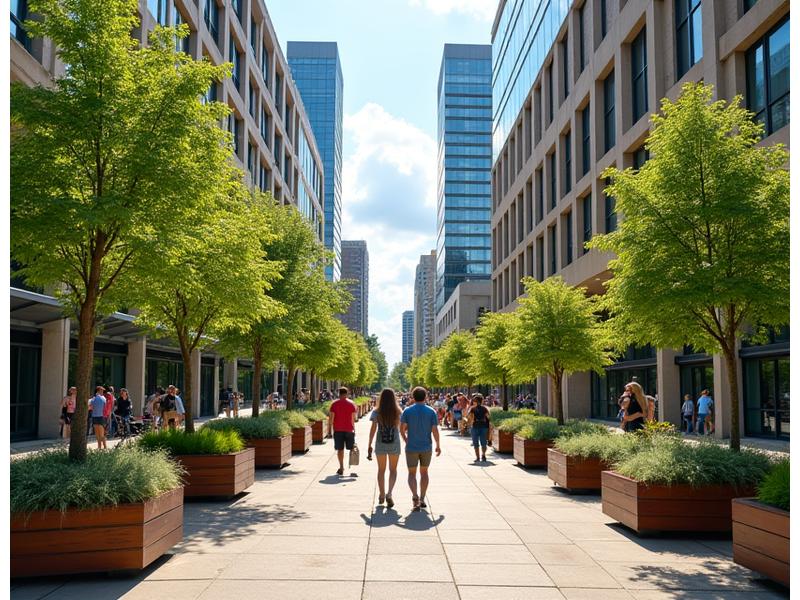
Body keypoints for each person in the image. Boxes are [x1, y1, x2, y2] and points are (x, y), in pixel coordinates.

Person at [400, 386, 441, 511]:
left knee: (411, 473)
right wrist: (438, 445)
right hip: (426, 447)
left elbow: (401, 429)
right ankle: (422, 498)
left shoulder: (407, 411)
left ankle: (415, 496)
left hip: (411, 447)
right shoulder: (431, 411)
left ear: (412, 396)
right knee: (424, 473)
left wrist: (406, 440)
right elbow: (435, 430)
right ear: (426, 397)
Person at [367, 388, 402, 507]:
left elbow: (373, 429)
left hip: (380, 442)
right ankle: (389, 493)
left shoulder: (376, 412)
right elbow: (401, 428)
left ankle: (381, 494)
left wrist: (369, 444)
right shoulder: (398, 411)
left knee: (381, 470)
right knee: (393, 470)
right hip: (394, 443)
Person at [329, 387, 357, 476]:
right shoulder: (352, 404)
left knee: (340, 449)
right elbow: (353, 419)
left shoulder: (334, 404)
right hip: (349, 429)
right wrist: (354, 429)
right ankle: (352, 462)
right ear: (347, 393)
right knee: (351, 448)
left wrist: (329, 430)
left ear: (339, 393)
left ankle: (341, 467)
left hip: (338, 430)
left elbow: (331, 419)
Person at [467, 394, 491, 462]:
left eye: (474, 401)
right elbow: (489, 417)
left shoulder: (472, 408)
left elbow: (469, 417)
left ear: (476, 401)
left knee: (475, 443)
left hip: (475, 426)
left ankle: (477, 458)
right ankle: (483, 455)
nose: (473, 402)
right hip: (483, 426)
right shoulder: (485, 408)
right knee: (483, 442)